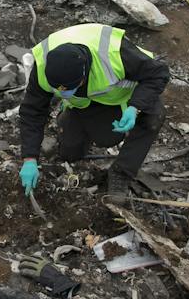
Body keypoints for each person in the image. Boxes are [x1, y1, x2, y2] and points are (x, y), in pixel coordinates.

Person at [17, 23, 169, 203]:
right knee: (70, 153)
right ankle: (70, 118)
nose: (63, 93)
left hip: (126, 98)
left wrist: (134, 107)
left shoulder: (114, 54)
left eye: (70, 88)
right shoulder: (43, 65)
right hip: (85, 104)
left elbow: (158, 73)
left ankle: (121, 173)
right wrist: (29, 159)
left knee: (153, 117)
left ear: (84, 73)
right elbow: (32, 111)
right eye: (57, 90)